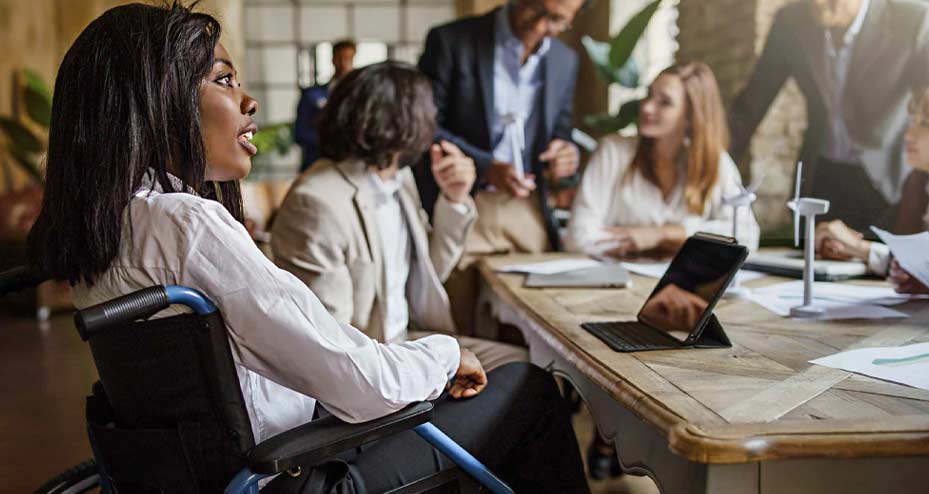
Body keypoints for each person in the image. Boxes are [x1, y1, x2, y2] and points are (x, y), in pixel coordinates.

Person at [25, 4, 589, 493]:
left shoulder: (110, 223)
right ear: (157, 100)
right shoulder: (187, 222)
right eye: (223, 80)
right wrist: (442, 355)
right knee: (529, 391)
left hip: (196, 471)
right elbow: (359, 384)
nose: (247, 101)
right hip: (293, 473)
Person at [271, 62, 528, 370]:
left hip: (410, 340)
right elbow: (334, 349)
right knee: (526, 385)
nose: (433, 120)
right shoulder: (317, 202)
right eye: (428, 110)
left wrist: (455, 197)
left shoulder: (399, 178)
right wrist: (430, 367)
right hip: (373, 367)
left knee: (524, 363)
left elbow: (429, 273)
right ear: (402, 120)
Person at [418, 0, 586, 336]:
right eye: (536, 10)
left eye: (555, 20)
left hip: (526, 209)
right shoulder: (452, 41)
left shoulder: (565, 61)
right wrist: (485, 167)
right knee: (455, 322)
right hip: (460, 203)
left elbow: (561, 130)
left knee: (542, 323)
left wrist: (565, 153)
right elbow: (424, 124)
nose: (540, 27)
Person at [729, 0, 929, 235]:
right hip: (822, 178)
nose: (817, 2)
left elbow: (925, 99)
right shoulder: (791, 21)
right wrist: (711, 166)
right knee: (813, 259)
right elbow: (751, 105)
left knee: (880, 262)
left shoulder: (911, 19)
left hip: (888, 184)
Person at [566, 63, 760, 258]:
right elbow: (578, 237)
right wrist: (680, 245)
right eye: (649, 95)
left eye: (665, 102)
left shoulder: (715, 162)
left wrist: (664, 234)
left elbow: (747, 236)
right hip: (617, 282)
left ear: (690, 116)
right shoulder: (613, 153)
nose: (647, 107)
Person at [816, 85, 929, 295]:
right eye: (912, 122)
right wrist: (846, 246)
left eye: (924, 124)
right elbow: (889, 243)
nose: (909, 135)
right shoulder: (917, 183)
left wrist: (862, 250)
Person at [294, 39, 356, 171]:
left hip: (351, 169)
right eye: (340, 58)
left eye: (348, 59)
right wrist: (332, 143)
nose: (344, 64)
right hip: (315, 165)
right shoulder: (311, 94)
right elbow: (299, 132)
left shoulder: (361, 96)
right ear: (333, 59)